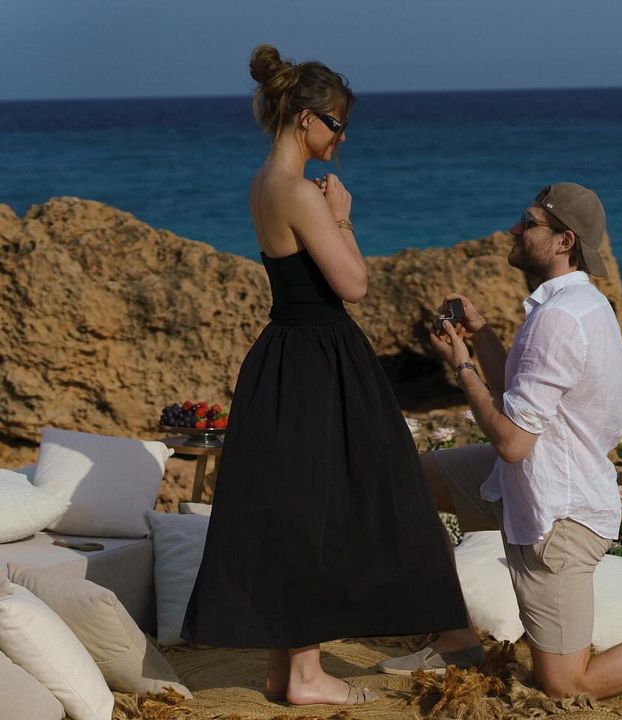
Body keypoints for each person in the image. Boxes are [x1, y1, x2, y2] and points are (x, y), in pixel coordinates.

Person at [377, 182, 622, 699]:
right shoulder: (572, 305)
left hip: (555, 512)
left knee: (567, 683)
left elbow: (513, 442)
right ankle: (457, 637)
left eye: (528, 223)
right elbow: (519, 395)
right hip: (526, 480)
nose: (514, 231)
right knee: (406, 483)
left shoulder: (561, 320)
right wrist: (482, 336)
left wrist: (461, 365)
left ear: (564, 240)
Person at [181, 45, 469, 707]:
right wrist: (342, 212)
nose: (341, 138)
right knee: (328, 506)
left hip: (284, 351)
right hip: (319, 356)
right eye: (336, 124)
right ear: (306, 119)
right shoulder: (298, 192)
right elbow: (354, 284)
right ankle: (307, 675)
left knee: (295, 504)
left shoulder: (263, 183)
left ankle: (288, 669)